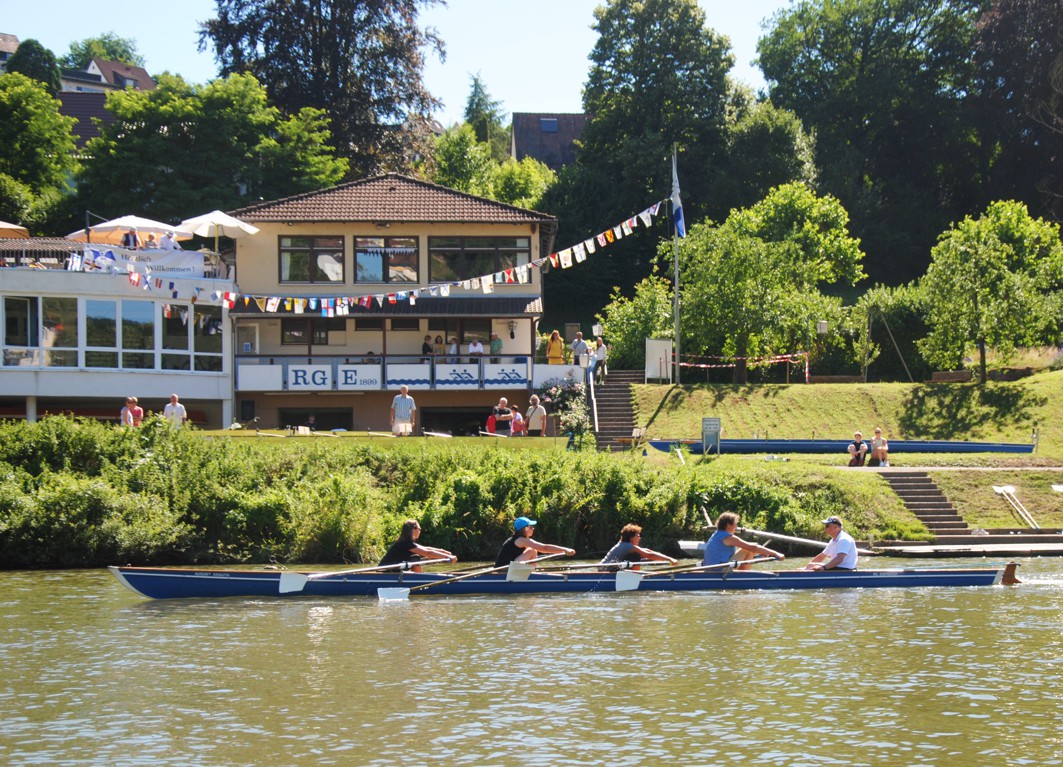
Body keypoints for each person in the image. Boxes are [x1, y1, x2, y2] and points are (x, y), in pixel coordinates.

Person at [702, 512, 785, 569]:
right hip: (718, 571)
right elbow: (753, 547)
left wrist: (758, 555)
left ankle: (741, 574)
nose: (736, 526)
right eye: (735, 524)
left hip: (711, 569)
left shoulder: (716, 534)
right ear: (728, 525)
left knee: (748, 550)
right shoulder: (728, 537)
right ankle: (744, 576)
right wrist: (776, 554)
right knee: (747, 549)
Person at [378, 519, 456, 572]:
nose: (420, 531)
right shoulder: (405, 543)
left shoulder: (406, 541)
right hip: (385, 570)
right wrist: (448, 557)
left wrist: (444, 552)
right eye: (419, 529)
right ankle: (421, 579)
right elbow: (427, 553)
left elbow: (426, 548)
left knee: (414, 558)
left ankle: (420, 577)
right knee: (415, 559)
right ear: (413, 530)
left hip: (391, 569)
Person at [494, 517, 575, 566]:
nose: (533, 528)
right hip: (503, 570)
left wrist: (564, 550)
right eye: (531, 527)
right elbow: (544, 548)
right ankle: (533, 574)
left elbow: (543, 546)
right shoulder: (521, 540)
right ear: (525, 528)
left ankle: (532, 572)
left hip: (508, 568)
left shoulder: (522, 539)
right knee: (532, 551)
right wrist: (565, 549)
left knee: (532, 550)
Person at [600, 524, 677, 566]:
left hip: (607, 568)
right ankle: (636, 578)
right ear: (631, 538)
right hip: (605, 569)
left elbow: (647, 551)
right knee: (636, 556)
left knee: (646, 559)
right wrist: (670, 559)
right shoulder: (628, 546)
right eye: (638, 536)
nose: (639, 538)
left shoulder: (625, 544)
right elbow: (649, 555)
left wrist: (667, 558)